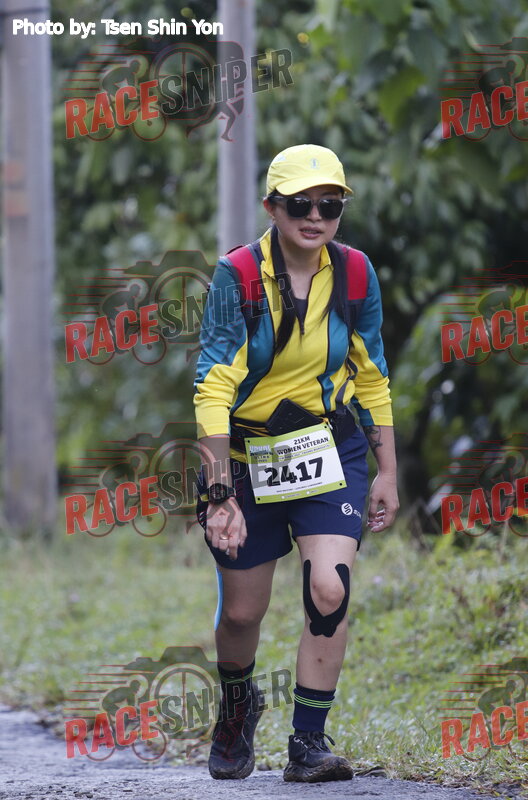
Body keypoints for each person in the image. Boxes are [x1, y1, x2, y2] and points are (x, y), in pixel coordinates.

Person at [193, 143, 399, 782]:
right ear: (271, 207)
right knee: (241, 614)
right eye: (300, 204)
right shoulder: (237, 276)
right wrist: (219, 491)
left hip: (331, 447)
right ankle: (237, 707)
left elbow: (372, 375)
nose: (315, 217)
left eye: (329, 206)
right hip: (246, 457)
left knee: (330, 588)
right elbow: (213, 384)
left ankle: (308, 741)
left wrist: (388, 471)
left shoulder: (356, 273)